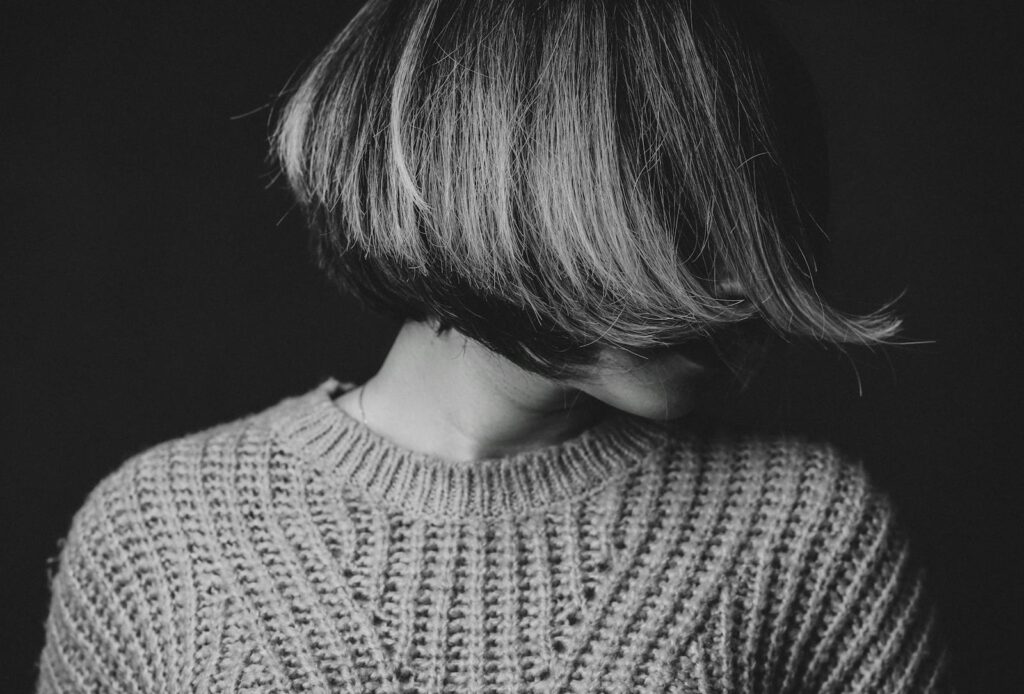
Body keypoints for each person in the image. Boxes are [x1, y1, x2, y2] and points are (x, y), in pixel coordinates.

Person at [35, 0, 951, 691]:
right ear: (502, 182)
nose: (751, 290)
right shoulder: (160, 537)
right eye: (693, 224)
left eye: (767, 230)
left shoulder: (801, 532)